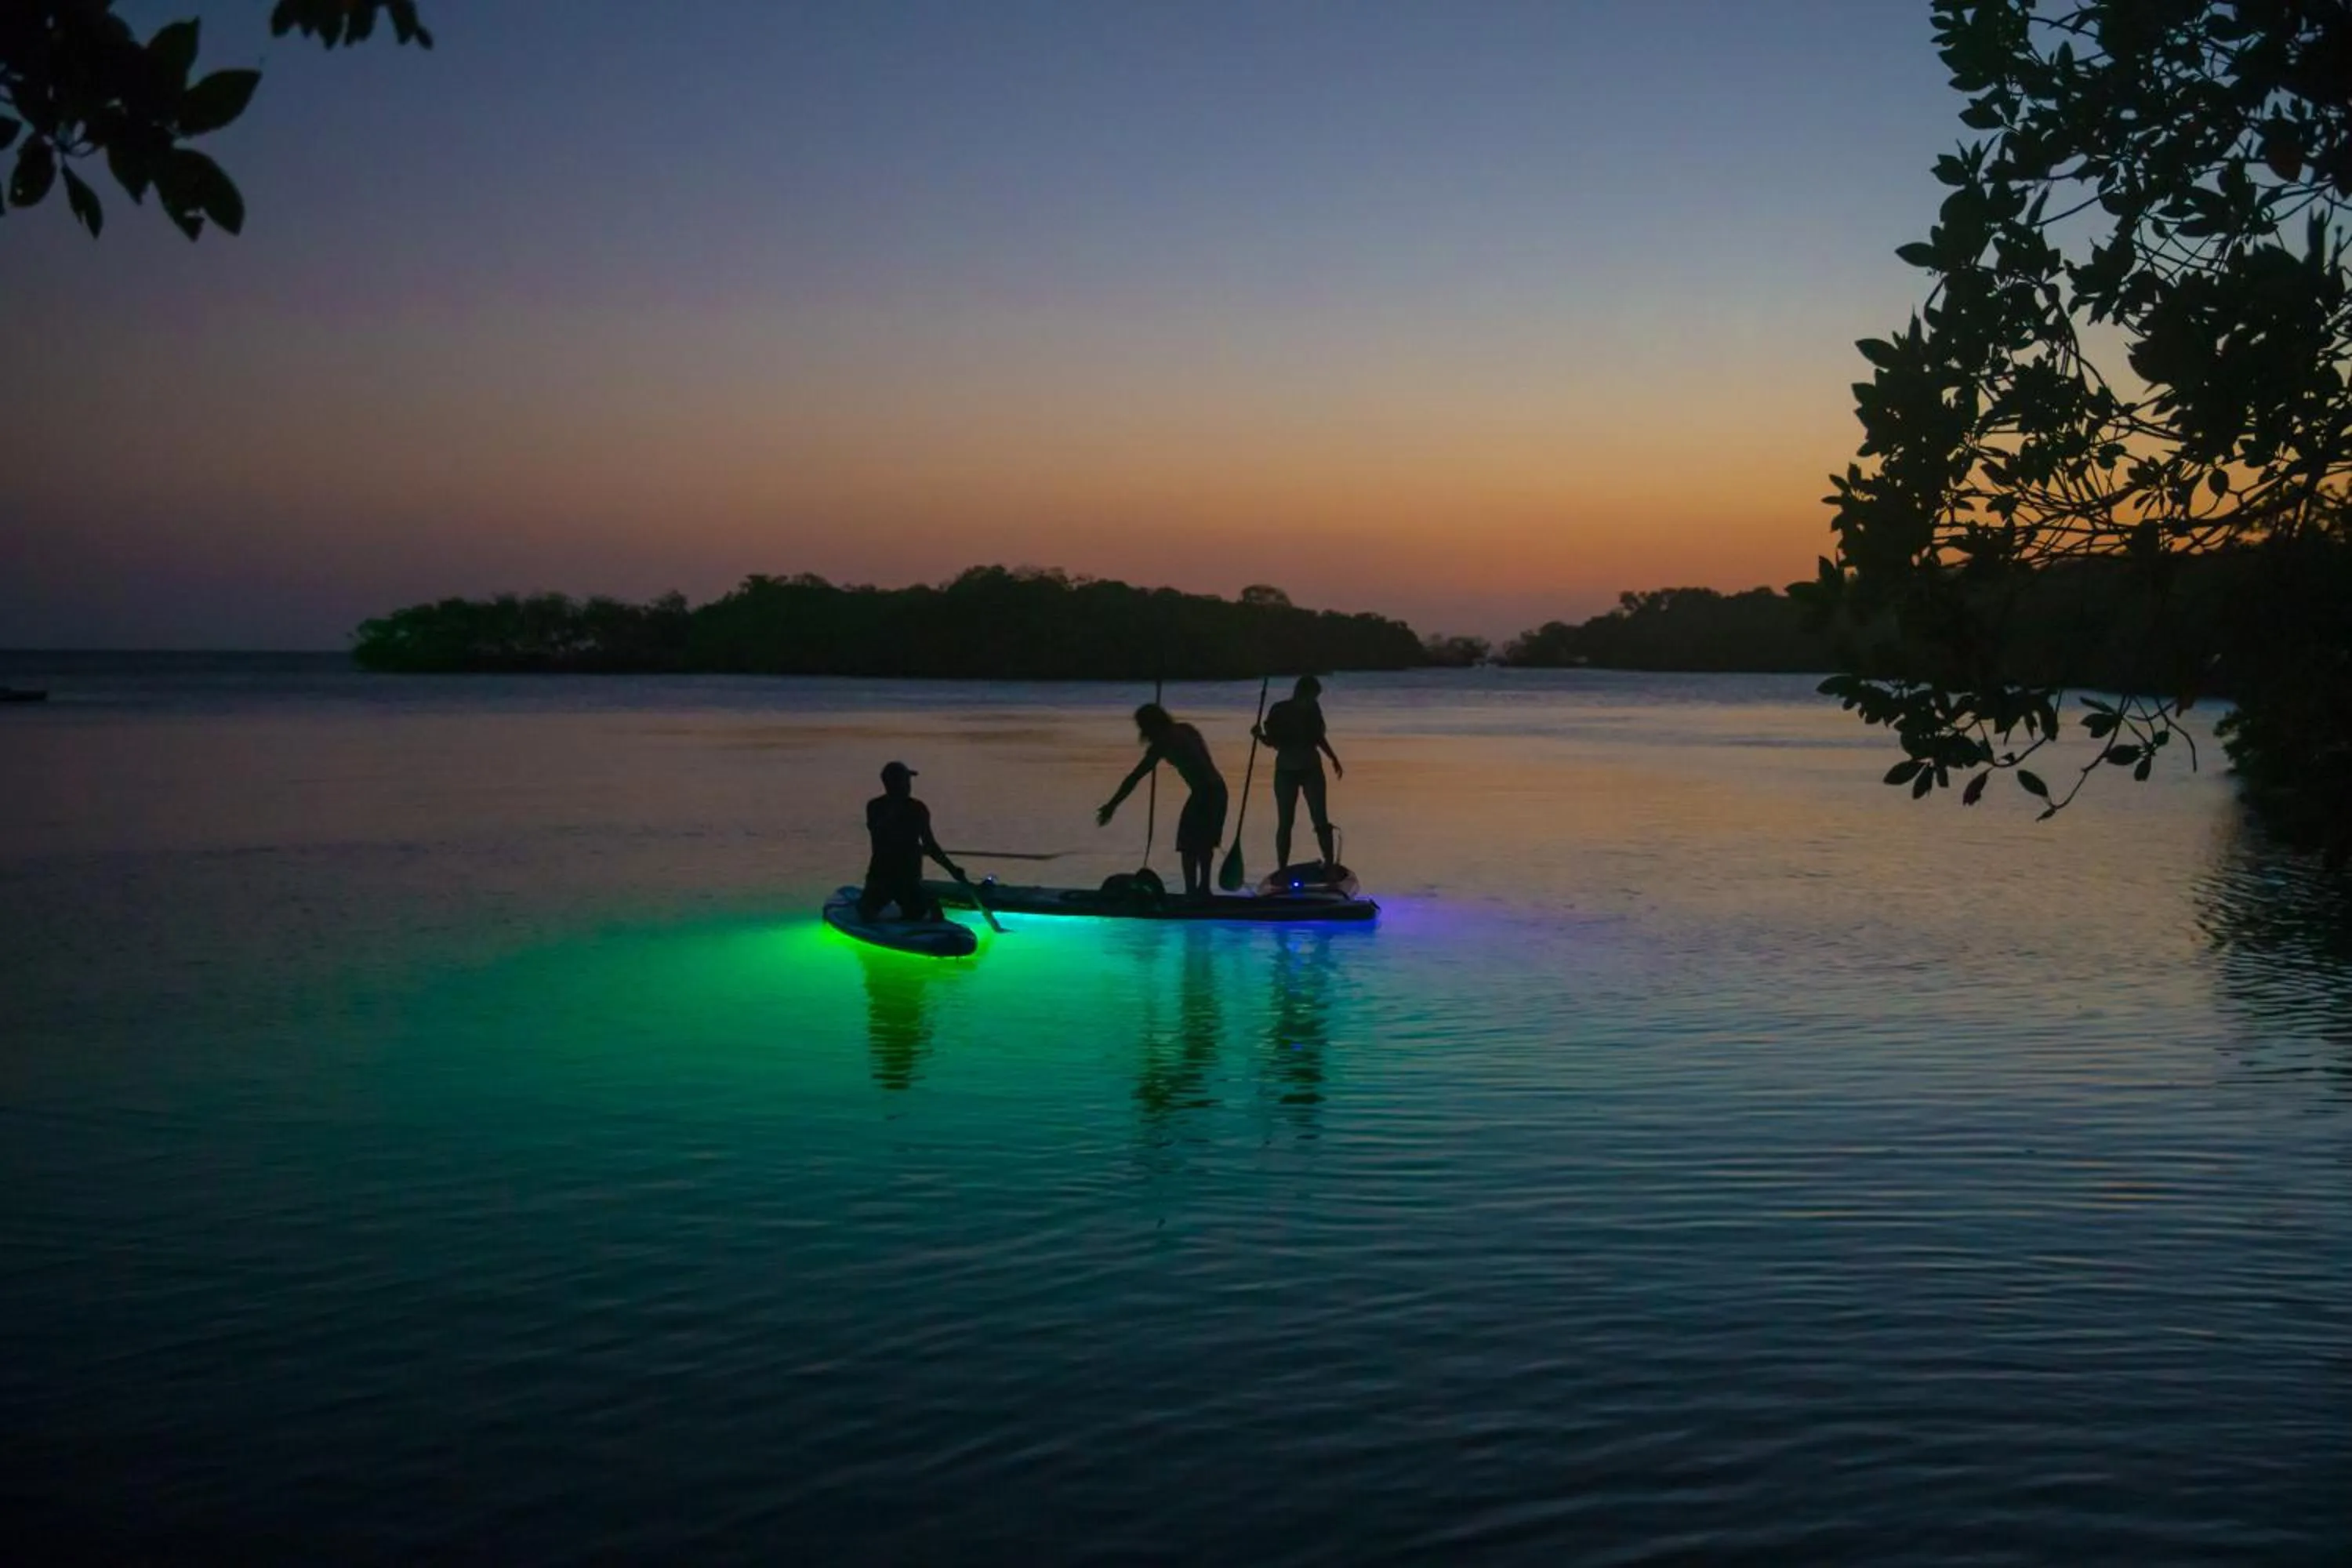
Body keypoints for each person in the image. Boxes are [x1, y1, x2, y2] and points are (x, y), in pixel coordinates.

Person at [1098, 703, 1228, 898]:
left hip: (1205, 793)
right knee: (1203, 844)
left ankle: (1193, 892)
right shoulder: (1185, 729)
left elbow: (1135, 776)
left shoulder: (1164, 742)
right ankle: (1202, 890)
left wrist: (1112, 805)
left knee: (1189, 844)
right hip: (1218, 790)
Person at [1256, 674, 1344, 869]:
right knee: (1285, 821)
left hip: (1311, 769)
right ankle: (1282, 867)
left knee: (1320, 818)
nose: (1314, 701)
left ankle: (1329, 864)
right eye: (1312, 697)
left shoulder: (1313, 710)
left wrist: (1333, 758)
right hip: (1286, 772)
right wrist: (1259, 736)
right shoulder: (1279, 710)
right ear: (1302, 693)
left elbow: (1319, 737)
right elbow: (1272, 742)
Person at [861, 760, 964, 921]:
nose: (909, 786)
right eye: (904, 782)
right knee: (865, 913)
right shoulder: (876, 807)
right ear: (890, 784)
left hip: (909, 879)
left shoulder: (918, 808)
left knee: (921, 911)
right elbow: (877, 832)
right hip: (881, 878)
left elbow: (930, 845)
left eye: (907, 782)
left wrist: (952, 870)